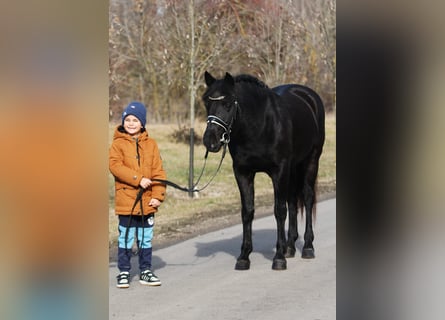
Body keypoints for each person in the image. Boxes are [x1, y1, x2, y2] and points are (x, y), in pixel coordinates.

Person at [109, 101, 167, 288]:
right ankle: (124, 271)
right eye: (128, 119)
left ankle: (145, 271)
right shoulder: (117, 144)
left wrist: (158, 196)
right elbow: (115, 166)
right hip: (126, 201)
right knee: (126, 237)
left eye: (135, 120)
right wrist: (138, 178)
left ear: (142, 123)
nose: (131, 123)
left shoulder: (152, 145)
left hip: (147, 203)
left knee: (145, 237)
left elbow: (158, 172)